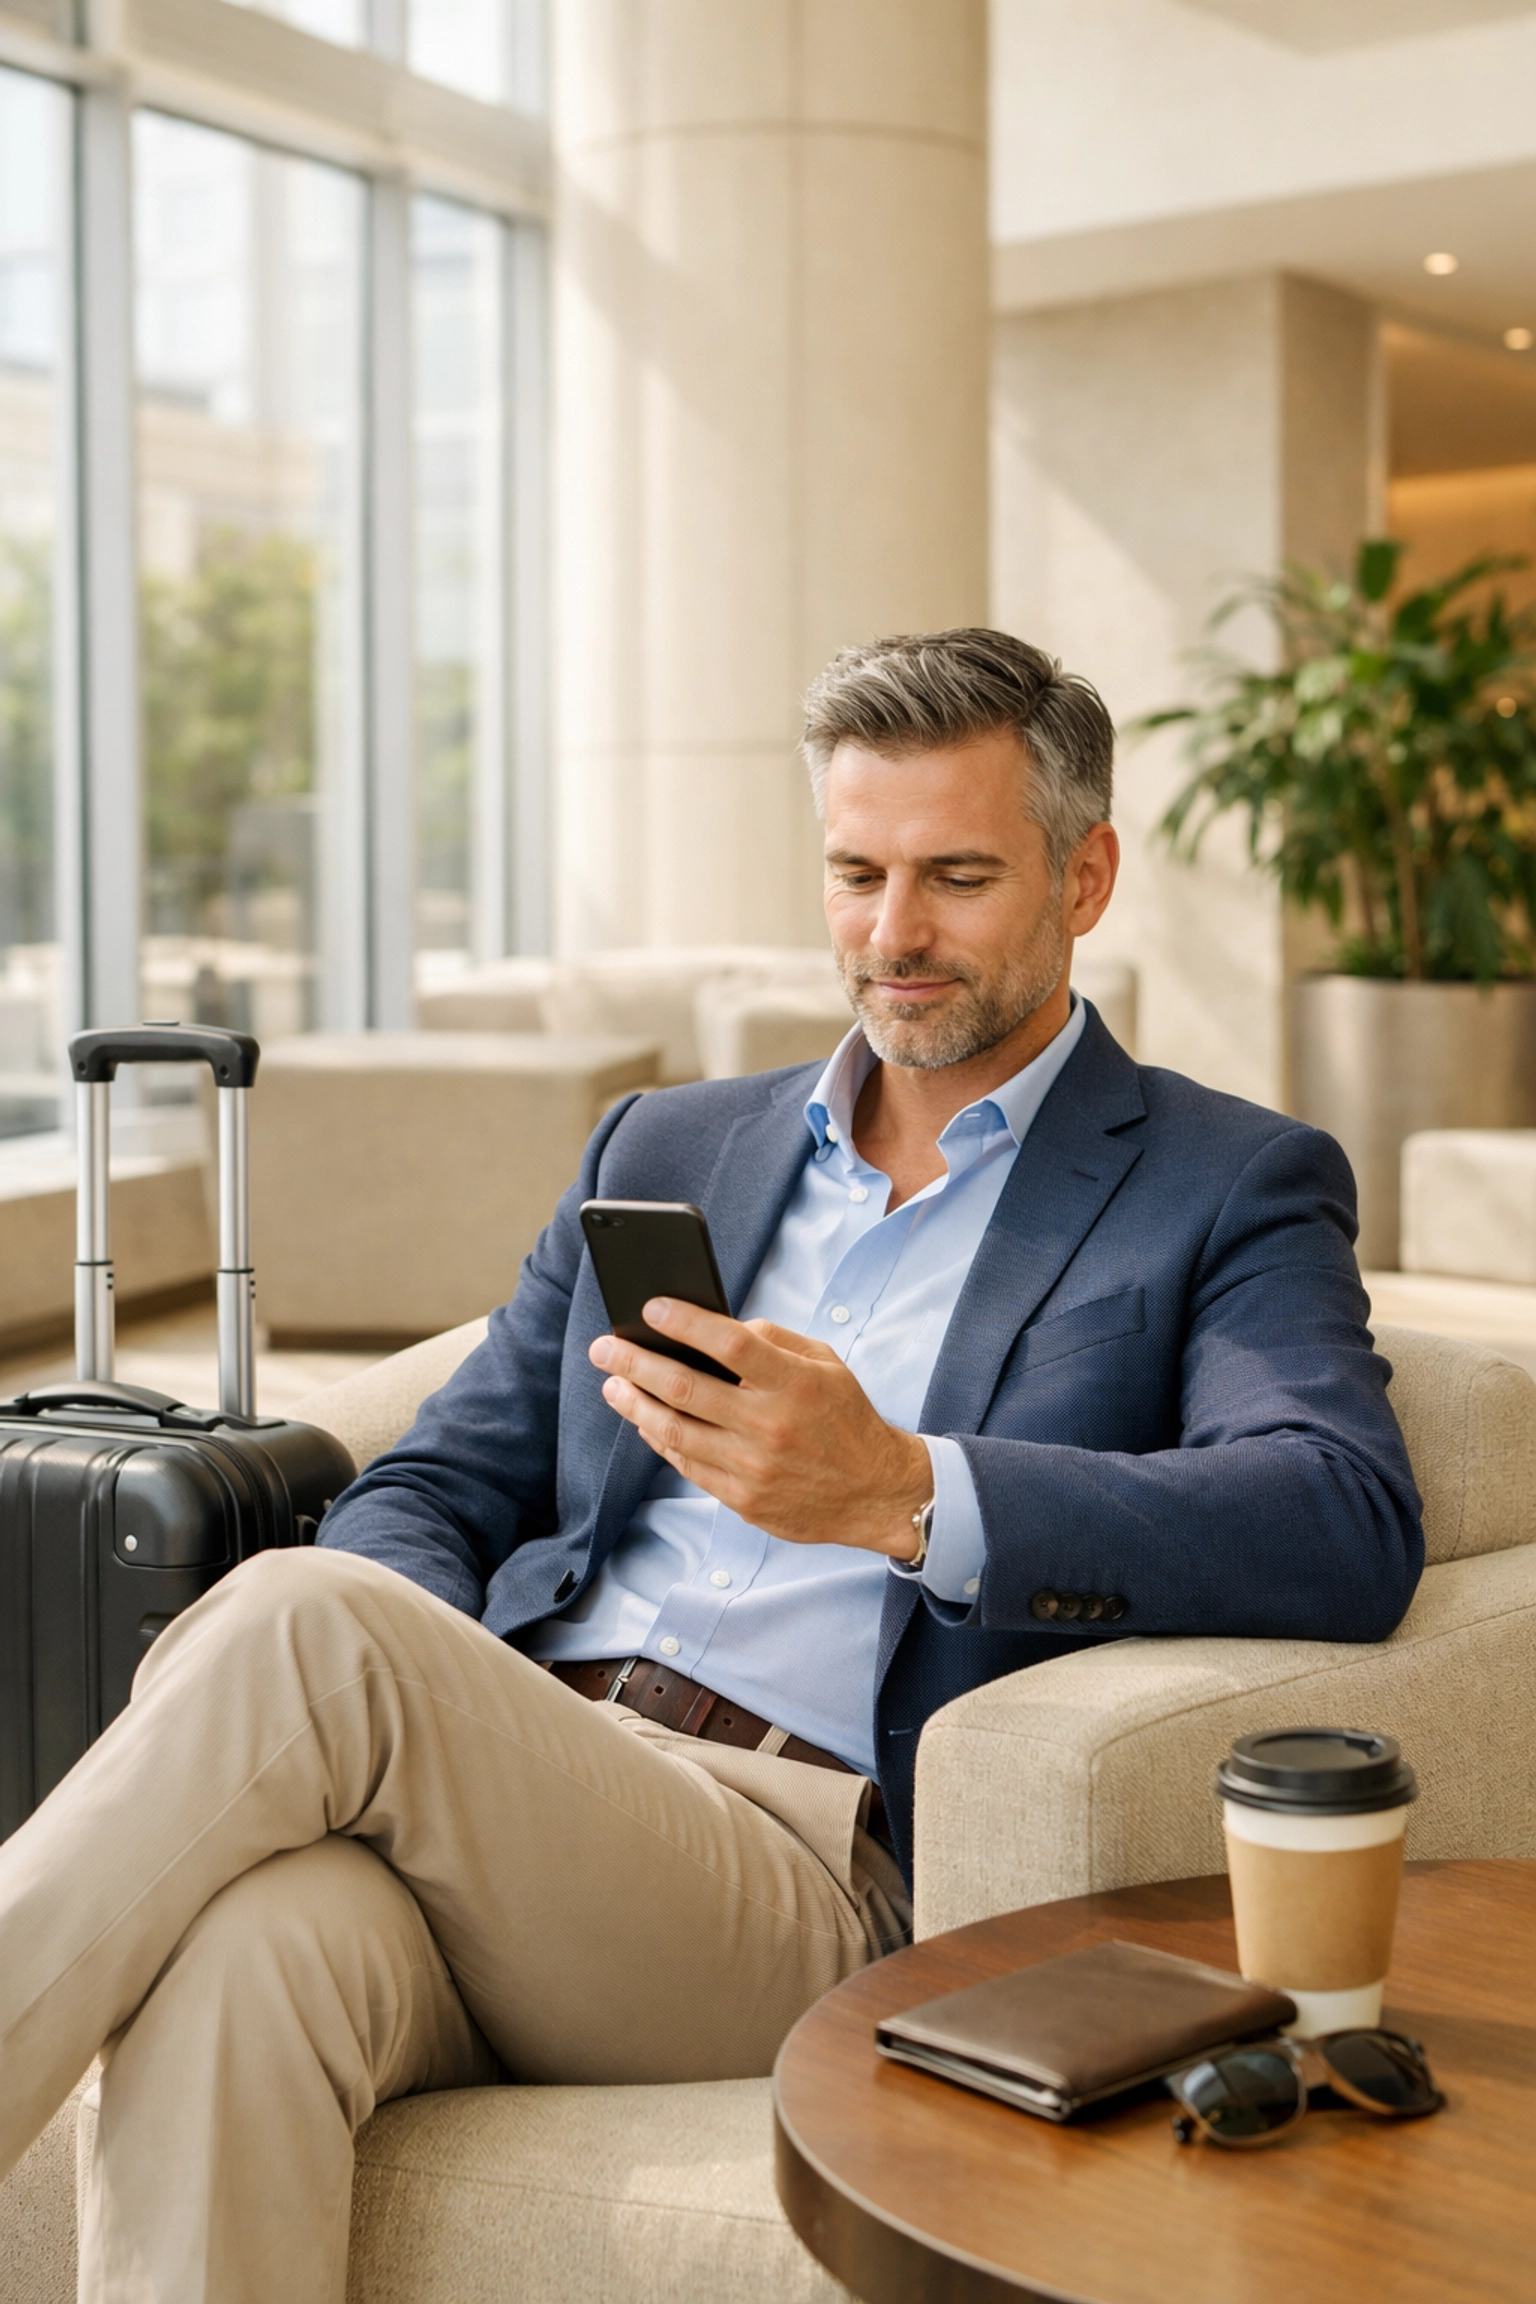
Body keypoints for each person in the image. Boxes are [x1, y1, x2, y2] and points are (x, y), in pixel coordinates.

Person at [0, 629, 1422, 2302]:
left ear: (1085, 874)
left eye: (957, 878)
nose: (893, 936)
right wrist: (416, 1716)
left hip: (797, 1872)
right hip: (530, 1785)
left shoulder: (1221, 1179)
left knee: (311, 1625)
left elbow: (1341, 1512)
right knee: (250, 1952)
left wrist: (900, 1489)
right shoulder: (671, 1145)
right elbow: (437, 1485)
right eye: (855, 874)